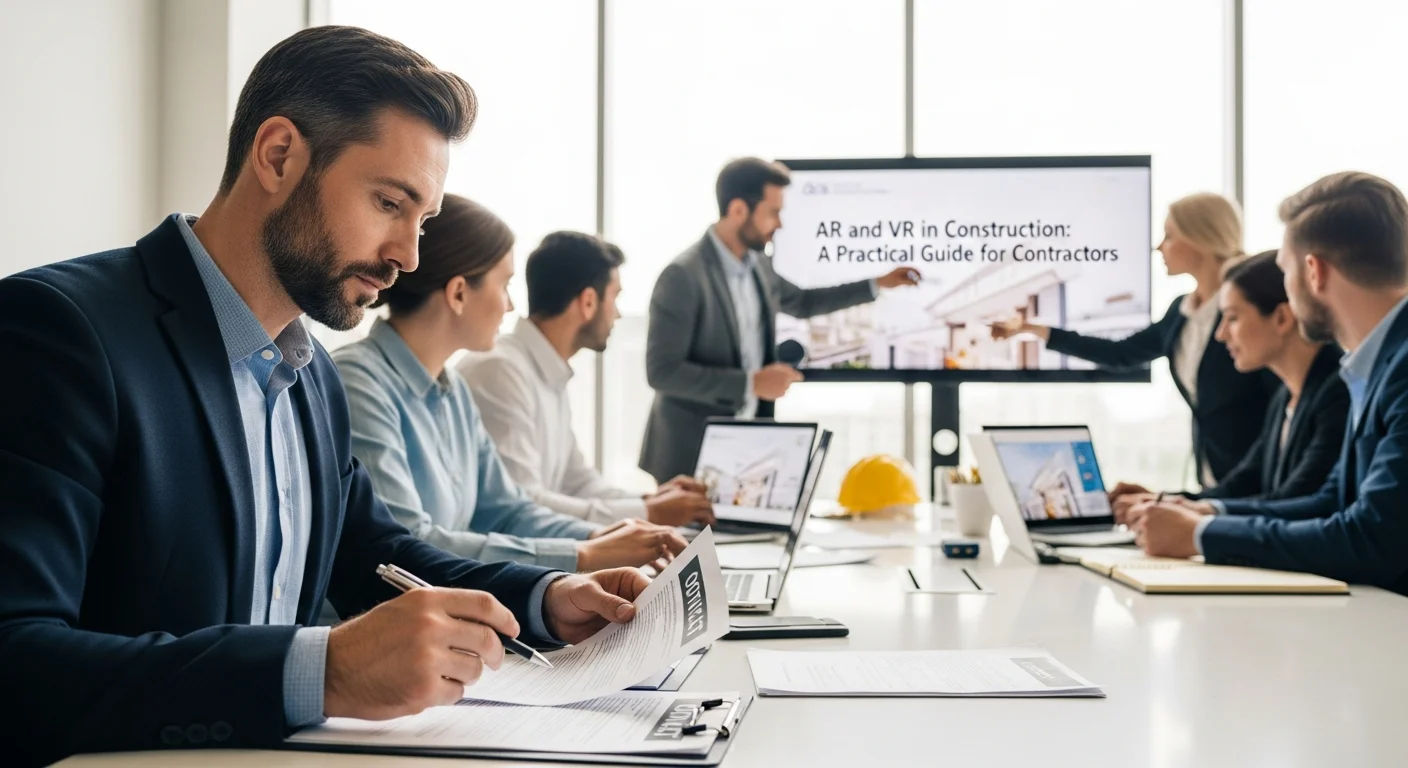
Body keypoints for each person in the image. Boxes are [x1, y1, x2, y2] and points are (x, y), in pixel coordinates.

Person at [0, 27, 651, 766]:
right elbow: (15, 660)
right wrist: (325, 671)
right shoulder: (58, 332)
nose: (408, 255)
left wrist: (547, 599)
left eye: (422, 221)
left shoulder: (311, 374)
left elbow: (376, 556)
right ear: (278, 155)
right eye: (389, 202)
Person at [333, 199, 688, 572]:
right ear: (458, 294)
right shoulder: (360, 384)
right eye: (504, 285)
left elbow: (507, 510)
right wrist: (584, 554)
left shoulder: (454, 391)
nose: (511, 305)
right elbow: (407, 545)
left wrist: (601, 537)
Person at [1133, 172, 1408, 595]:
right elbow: (1333, 501)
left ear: (1313, 271)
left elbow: (1371, 539)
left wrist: (1199, 535)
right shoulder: (1374, 365)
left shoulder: (1396, 370)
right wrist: (1208, 515)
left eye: (1285, 271)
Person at [640, 157, 920, 482]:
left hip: (745, 451)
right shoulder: (683, 276)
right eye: (773, 212)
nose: (780, 224)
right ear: (738, 210)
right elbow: (663, 372)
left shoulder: (759, 266)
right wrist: (751, 383)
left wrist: (877, 283)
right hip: (688, 456)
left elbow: (802, 301)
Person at [993, 193, 1277, 487]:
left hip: (1259, 478)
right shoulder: (1182, 313)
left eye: (1169, 236)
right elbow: (1121, 354)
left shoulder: (1249, 312)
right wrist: (1034, 329)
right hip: (1214, 473)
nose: (1159, 247)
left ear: (1200, 238)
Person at [460, 231, 716, 526]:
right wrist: (648, 513)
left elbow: (577, 483)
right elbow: (524, 503)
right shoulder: (500, 372)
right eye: (615, 298)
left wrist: (651, 501)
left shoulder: (543, 370)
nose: (617, 315)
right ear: (589, 301)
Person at [1111, 251, 1349, 521]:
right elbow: (1242, 485)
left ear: (1282, 318)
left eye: (1232, 318)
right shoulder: (1286, 397)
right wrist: (1163, 502)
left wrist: (1197, 513)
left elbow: (1298, 500)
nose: (1221, 334)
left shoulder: (1339, 392)